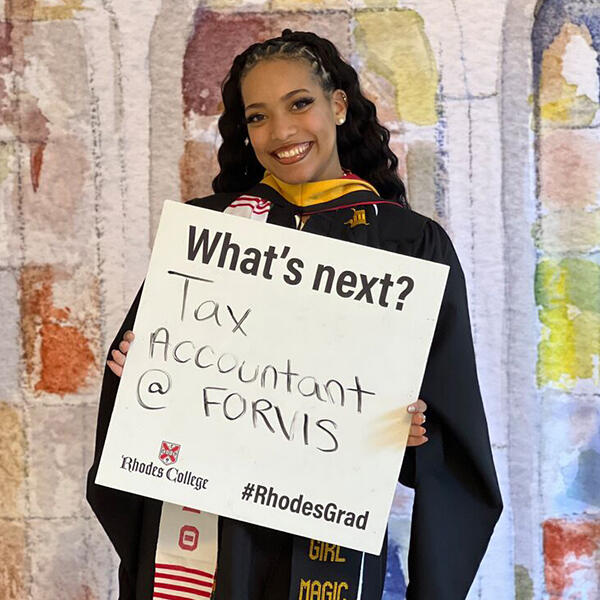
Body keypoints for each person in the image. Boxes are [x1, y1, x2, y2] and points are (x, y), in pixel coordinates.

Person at [87, 29, 502, 600]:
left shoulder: (406, 245)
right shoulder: (212, 232)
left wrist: (407, 440)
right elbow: (141, 409)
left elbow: (453, 441)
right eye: (258, 117)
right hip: (206, 529)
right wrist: (142, 378)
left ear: (337, 104)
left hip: (324, 530)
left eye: (300, 103)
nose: (281, 132)